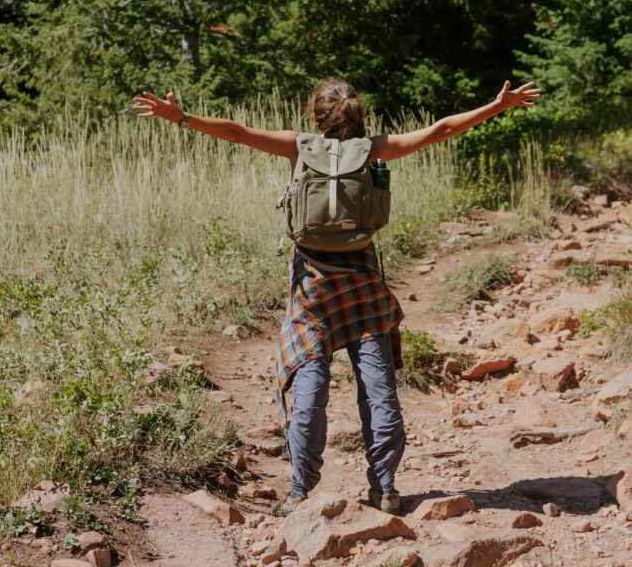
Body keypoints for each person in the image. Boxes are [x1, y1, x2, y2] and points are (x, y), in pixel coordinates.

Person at [133, 76, 541, 515]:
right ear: (359, 117)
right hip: (363, 281)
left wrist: (180, 117)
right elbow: (441, 129)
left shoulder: (297, 144)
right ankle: (385, 489)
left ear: (315, 117)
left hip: (313, 285)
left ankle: (299, 493)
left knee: (310, 385)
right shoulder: (373, 149)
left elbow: (235, 131)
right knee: (377, 387)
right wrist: (497, 107)